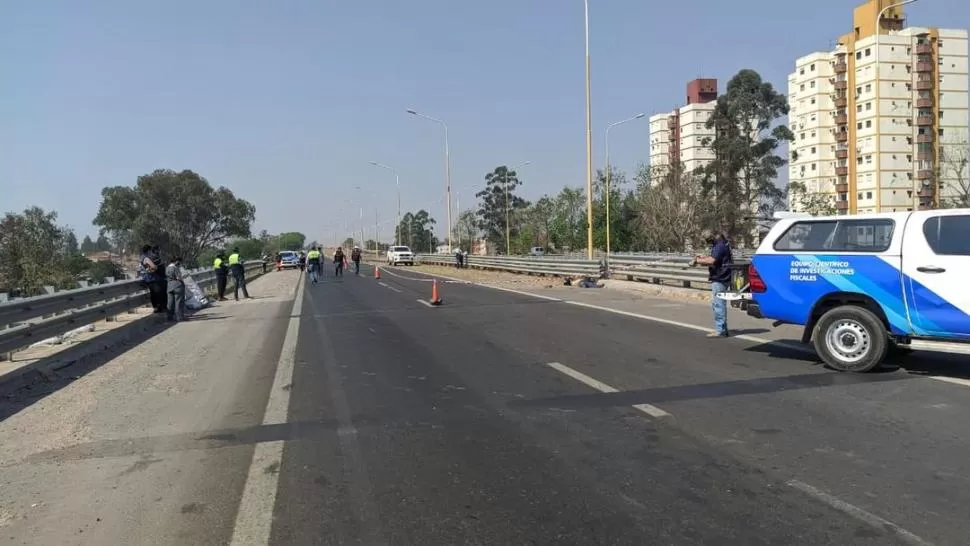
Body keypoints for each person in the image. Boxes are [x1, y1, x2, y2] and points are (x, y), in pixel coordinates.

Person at [694, 229, 734, 337]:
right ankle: (723, 328)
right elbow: (714, 259)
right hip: (723, 276)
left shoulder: (719, 245)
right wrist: (703, 258)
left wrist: (697, 261)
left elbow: (711, 261)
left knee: (718, 304)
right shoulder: (722, 243)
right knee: (719, 304)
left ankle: (719, 330)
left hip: (720, 277)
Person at [139, 244, 166, 313]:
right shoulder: (146, 258)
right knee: (157, 293)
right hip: (151, 278)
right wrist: (157, 267)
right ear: (148, 250)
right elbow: (153, 266)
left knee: (154, 293)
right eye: (150, 250)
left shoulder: (142, 257)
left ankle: (157, 307)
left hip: (148, 278)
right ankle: (158, 307)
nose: (151, 252)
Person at [165, 256, 186, 322]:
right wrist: (183, 279)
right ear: (176, 261)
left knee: (170, 302)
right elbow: (178, 277)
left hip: (169, 286)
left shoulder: (167, 268)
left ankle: (169, 317)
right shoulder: (175, 268)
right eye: (179, 262)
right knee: (178, 302)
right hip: (177, 286)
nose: (179, 263)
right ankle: (179, 317)